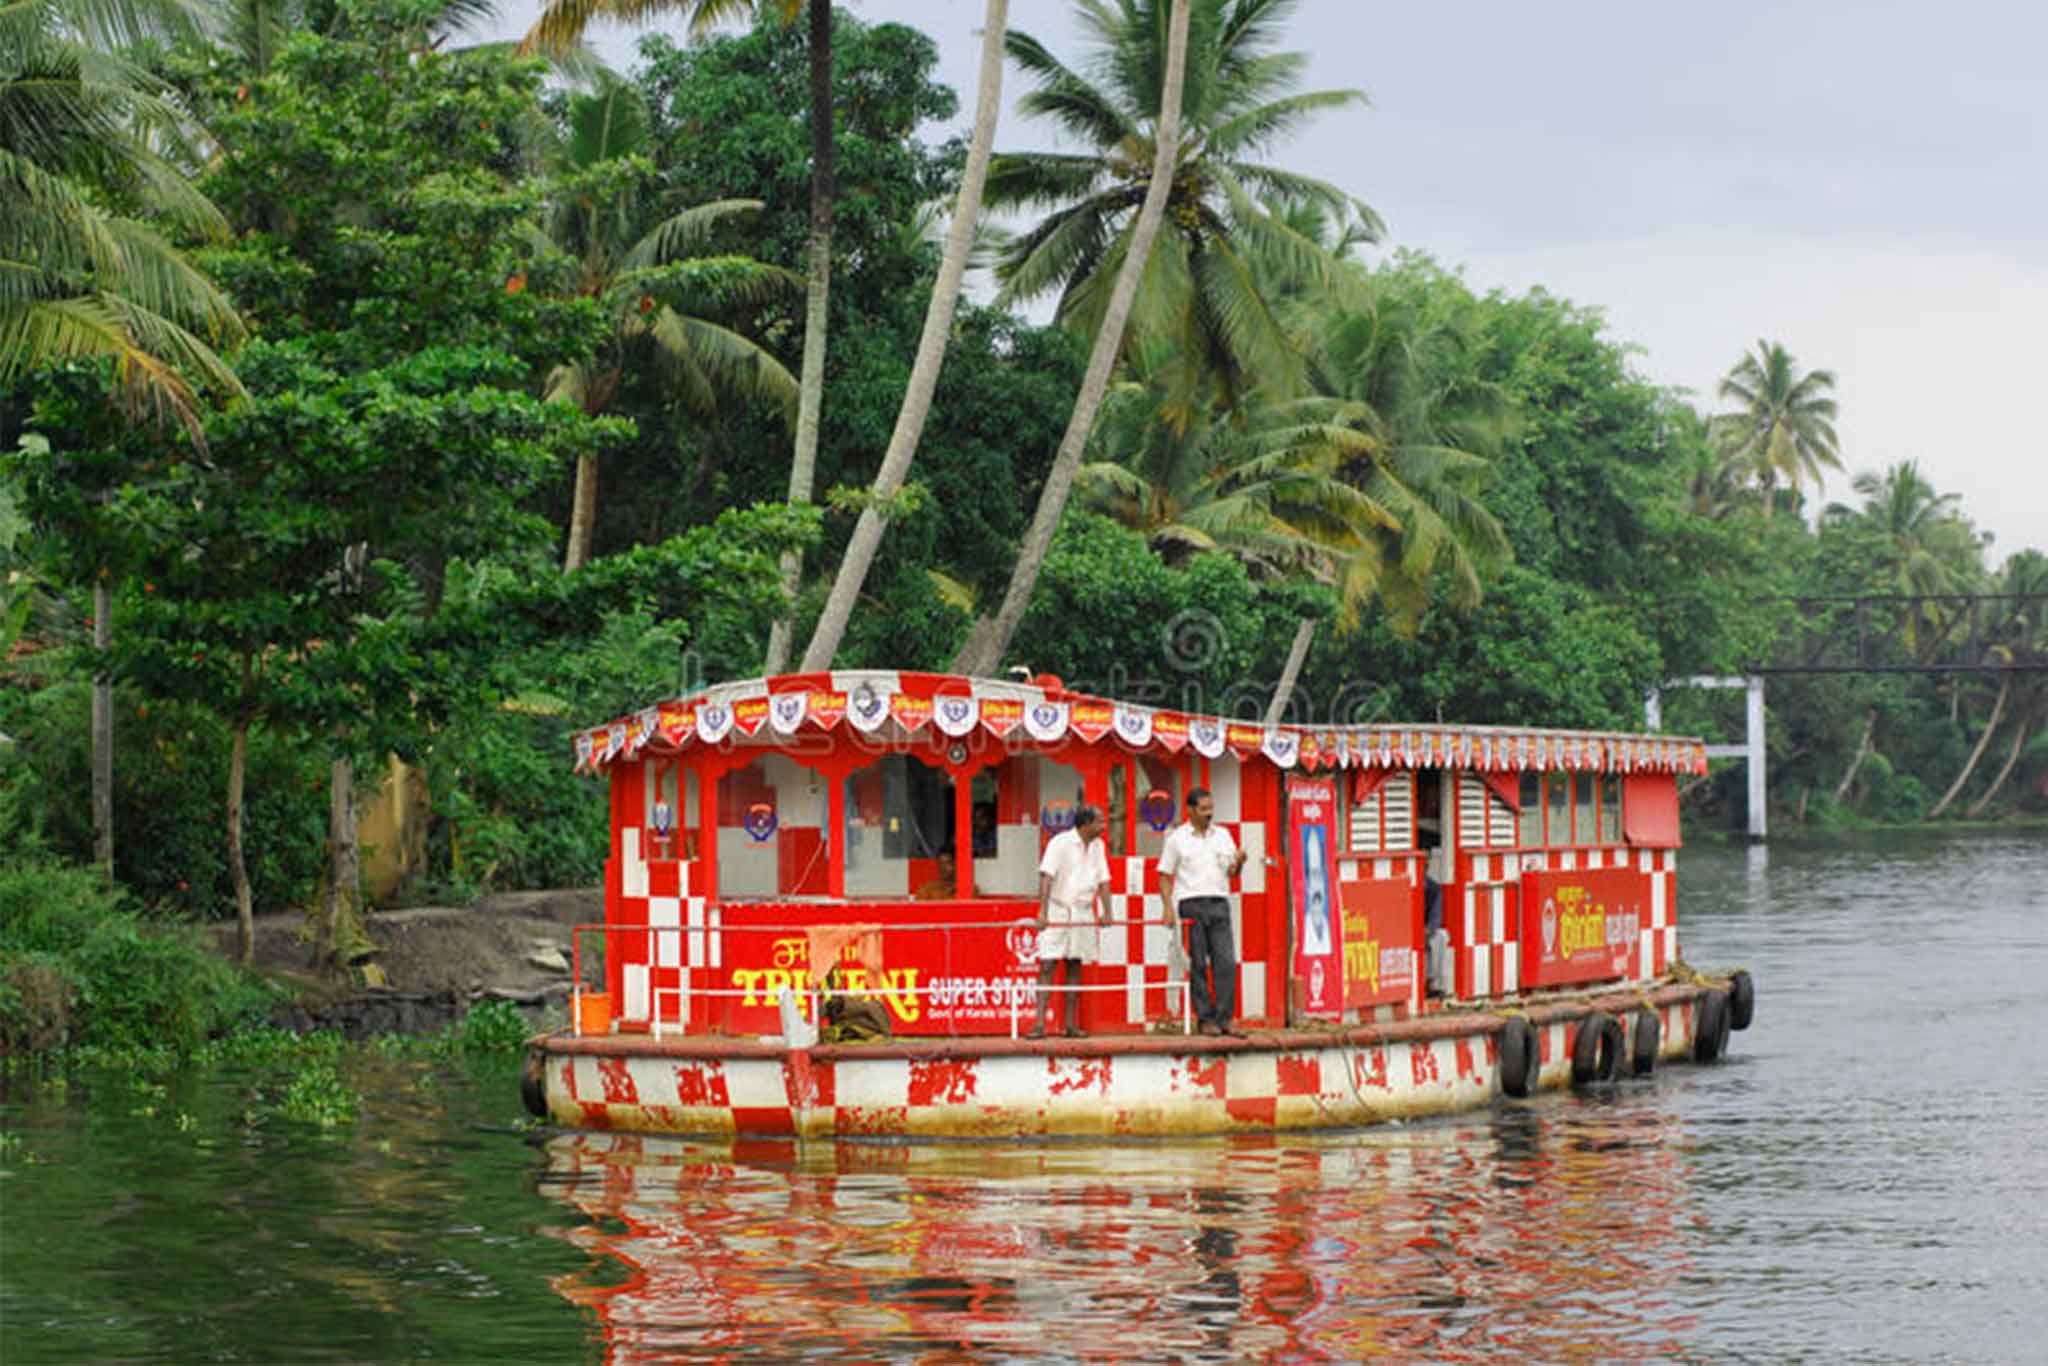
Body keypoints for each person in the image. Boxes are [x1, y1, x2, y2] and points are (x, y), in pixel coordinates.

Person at [1158, 788, 1248, 1037]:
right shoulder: (1177, 838)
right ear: (1190, 810)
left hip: (1219, 900)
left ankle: (1225, 1017)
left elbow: (1232, 873)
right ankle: (1204, 1019)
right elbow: (1164, 876)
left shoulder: (1223, 835)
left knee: (1226, 961)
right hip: (1190, 903)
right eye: (1203, 809)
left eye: (1211, 809)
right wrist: (1167, 907)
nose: (1209, 814)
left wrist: (1239, 862)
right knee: (1197, 963)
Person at [1031, 804, 1110, 1038]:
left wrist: (1107, 911)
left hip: (1083, 911)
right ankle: (1038, 1024)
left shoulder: (1098, 846)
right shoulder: (1060, 843)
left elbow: (1103, 880)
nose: (1104, 826)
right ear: (1086, 824)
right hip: (1058, 909)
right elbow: (1046, 877)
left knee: (1075, 965)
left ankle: (1070, 1025)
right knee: (1047, 965)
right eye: (1100, 822)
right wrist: (1042, 912)